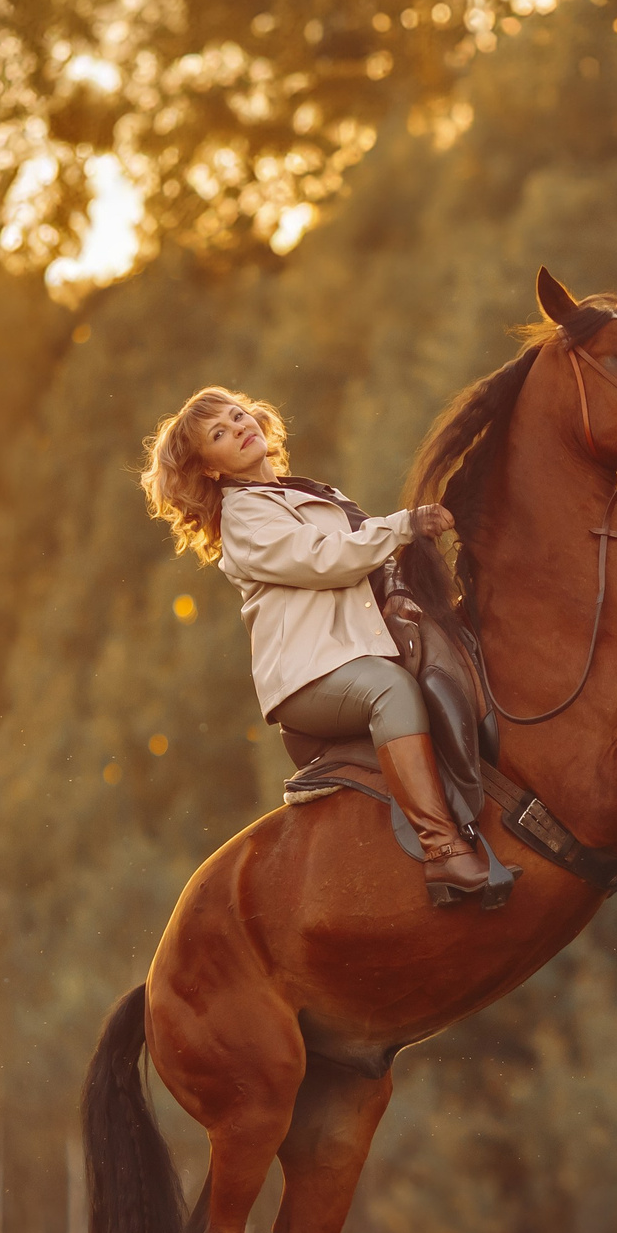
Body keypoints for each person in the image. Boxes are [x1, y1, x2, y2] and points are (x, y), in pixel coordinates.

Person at [142, 385, 490, 905]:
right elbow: (325, 560)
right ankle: (441, 849)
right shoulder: (244, 517)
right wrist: (403, 525)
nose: (239, 427)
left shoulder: (309, 491)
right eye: (220, 432)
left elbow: (371, 551)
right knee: (391, 691)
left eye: (238, 415)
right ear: (210, 469)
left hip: (361, 651)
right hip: (310, 677)